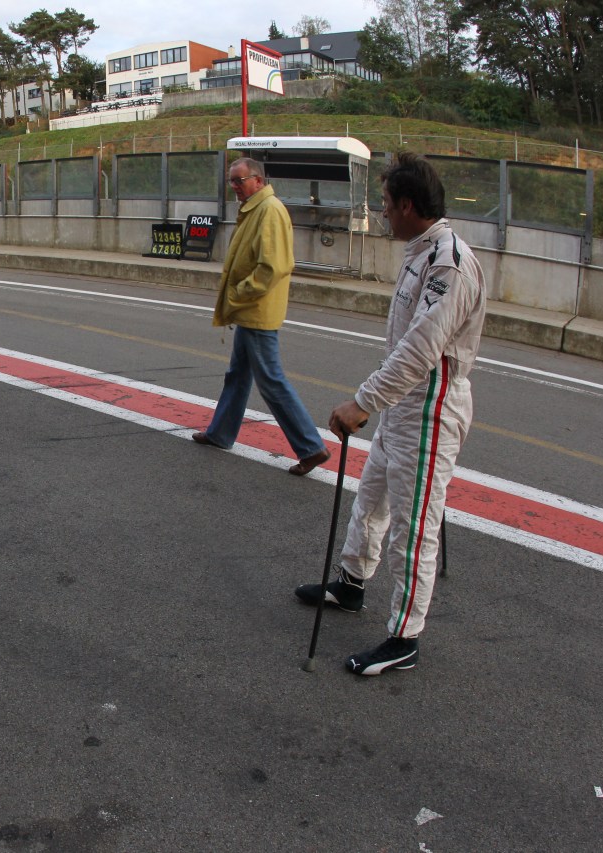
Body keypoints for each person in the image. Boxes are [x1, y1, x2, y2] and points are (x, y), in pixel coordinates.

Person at [295, 152, 487, 676]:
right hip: (403, 407)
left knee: (414, 529)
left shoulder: (447, 262)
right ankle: (352, 583)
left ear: (407, 205)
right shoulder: (419, 251)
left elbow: (422, 347)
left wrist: (362, 402)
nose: (382, 215)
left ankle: (404, 636)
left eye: (385, 205)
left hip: (430, 409)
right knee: (371, 498)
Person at [192, 156, 329, 476]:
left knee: (270, 379)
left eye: (238, 181)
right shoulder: (257, 208)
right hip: (251, 310)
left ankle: (311, 446)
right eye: (231, 181)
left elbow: (274, 267)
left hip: (257, 310)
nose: (234, 187)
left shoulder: (269, 211)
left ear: (257, 180)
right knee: (239, 375)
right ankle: (221, 432)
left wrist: (238, 293)